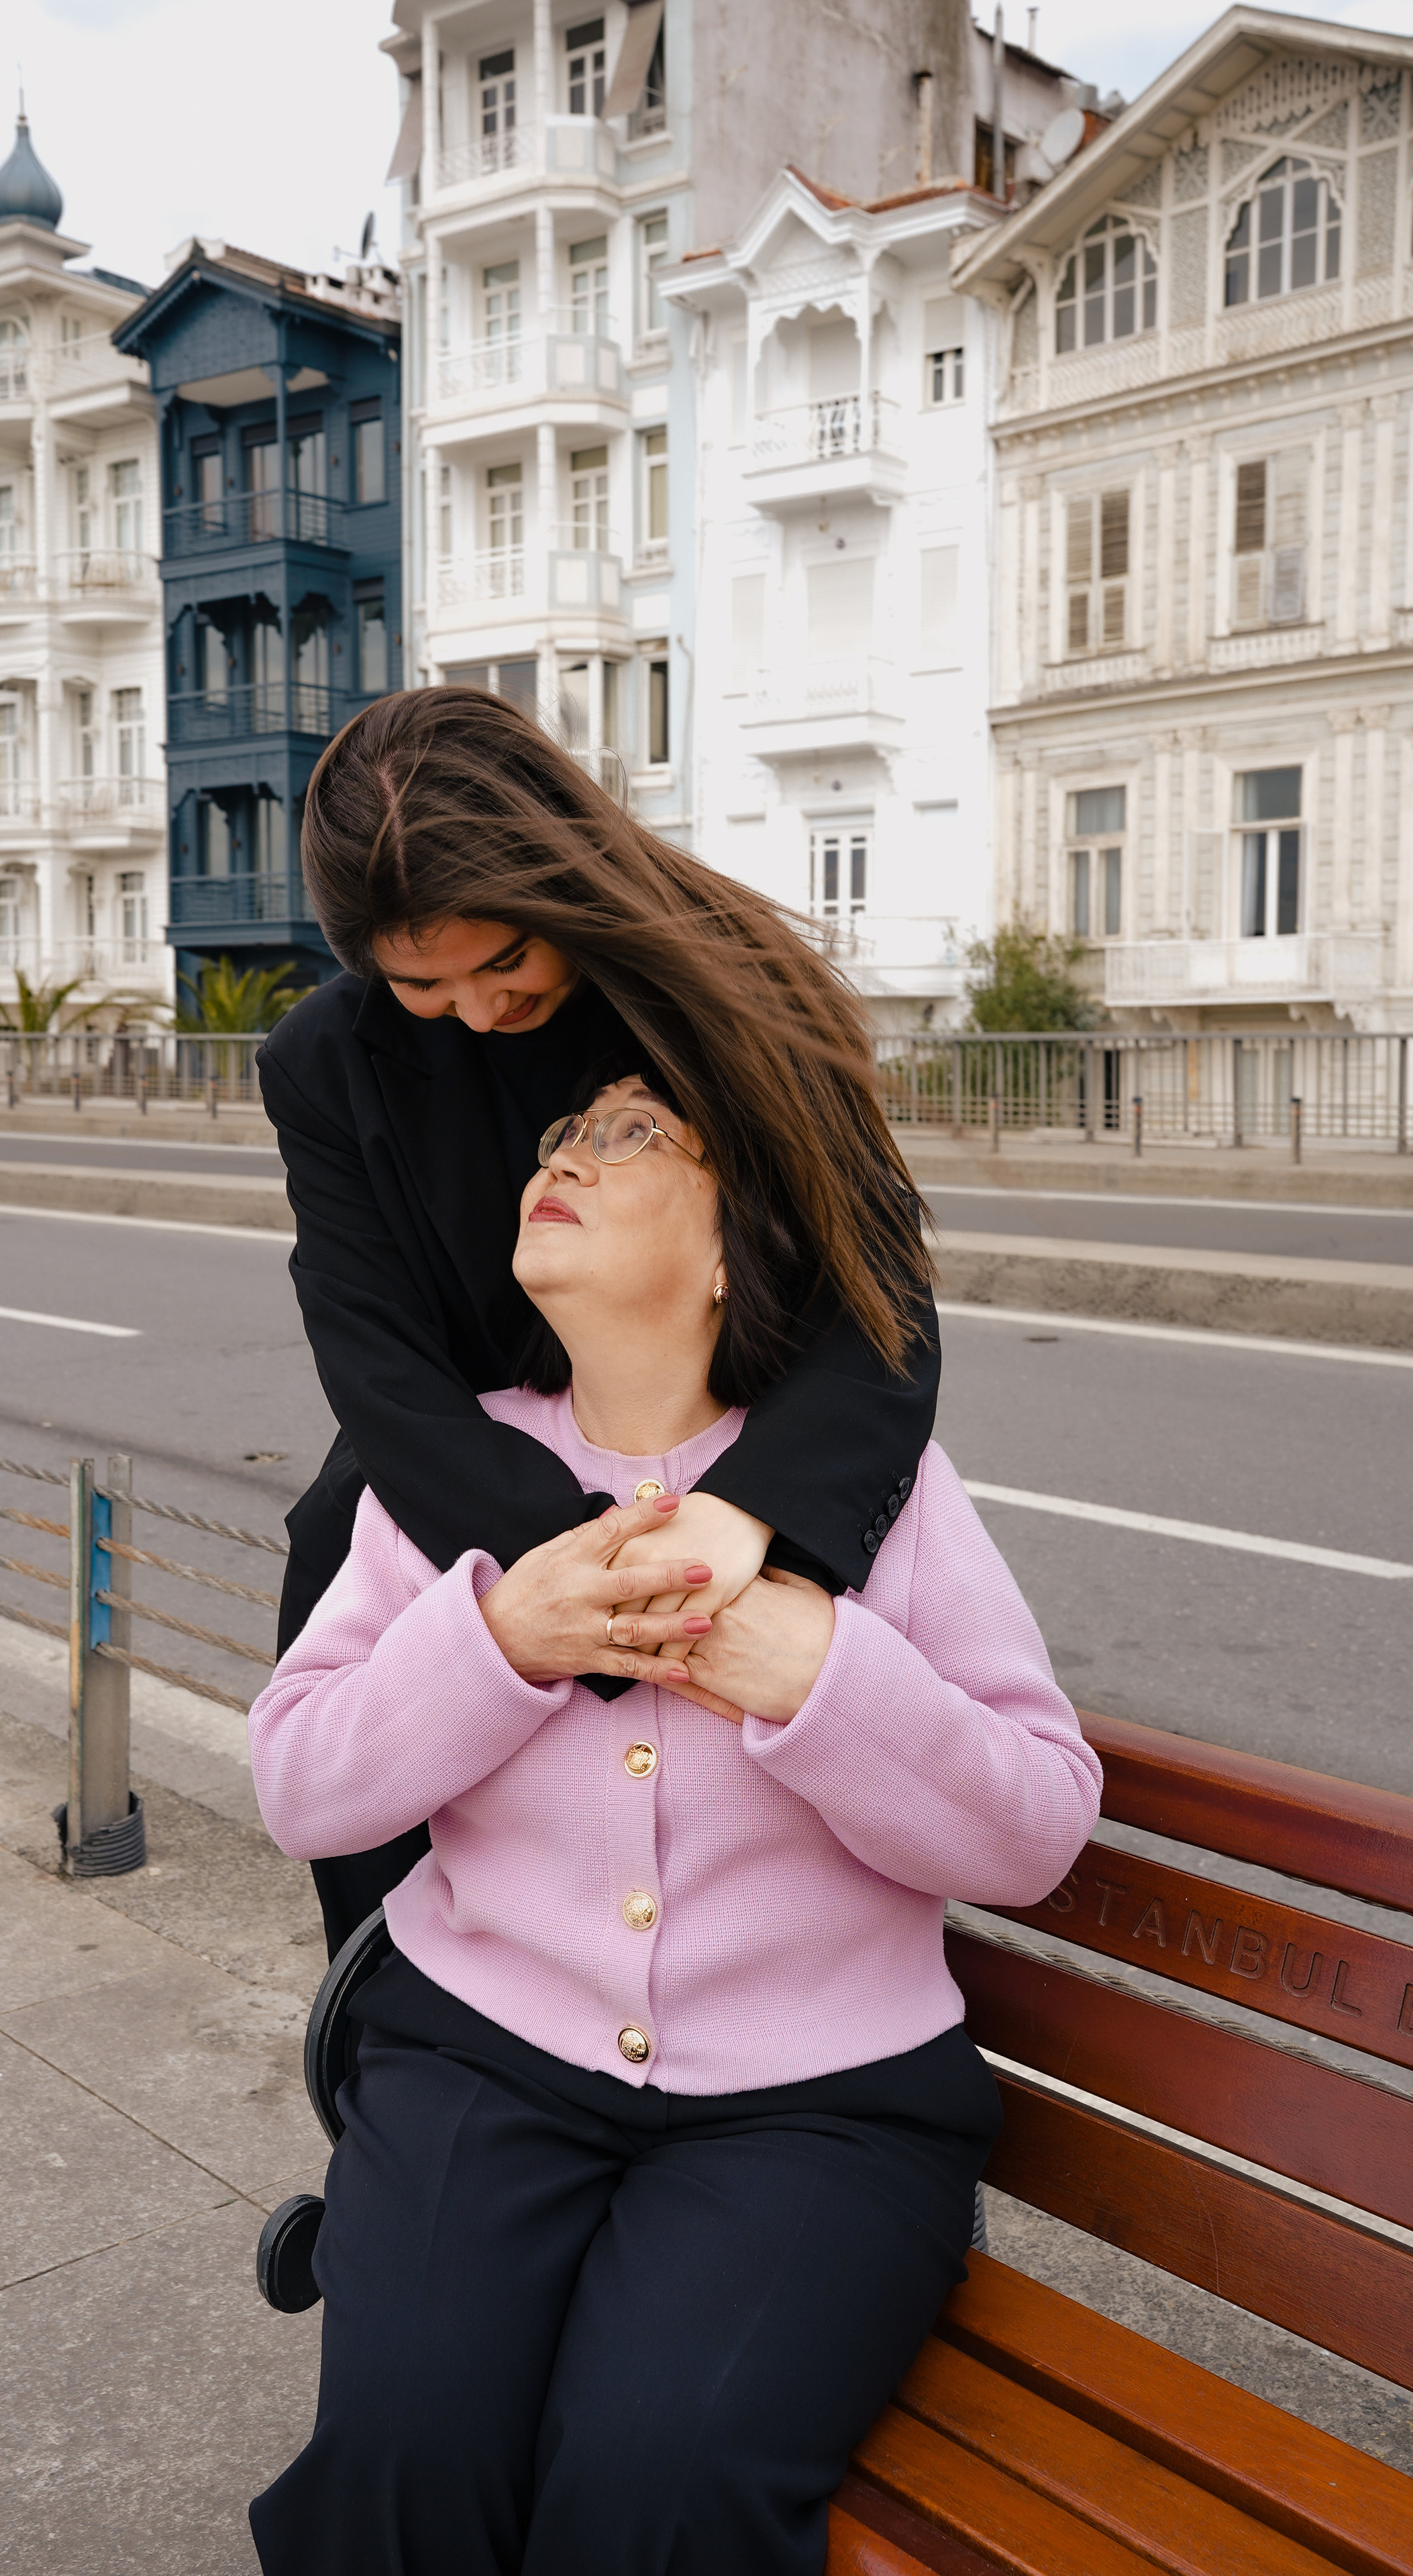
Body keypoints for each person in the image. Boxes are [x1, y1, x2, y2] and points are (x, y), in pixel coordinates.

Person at [245, 1061, 1102, 2576]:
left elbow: (1033, 1828)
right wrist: (504, 1642)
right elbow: (300, 1783)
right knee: (400, 2463)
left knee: (659, 2485)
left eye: (633, 1135)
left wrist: (819, 1676)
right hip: (474, 2058)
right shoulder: (442, 1476)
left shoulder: (874, 1491)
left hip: (821, 2109)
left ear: (728, 1252)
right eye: (562, 1134)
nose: (564, 1156)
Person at [258, 685, 943, 1958]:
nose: (474, 1008)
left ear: (559, 881)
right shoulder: (321, 1061)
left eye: (505, 959)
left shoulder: (724, 979)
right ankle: (390, 2025)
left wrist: (745, 1517)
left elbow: (878, 1289)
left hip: (736, 1436)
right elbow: (372, 1354)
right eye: (420, 982)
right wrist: (572, 1575)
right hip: (463, 1460)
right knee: (332, 1581)